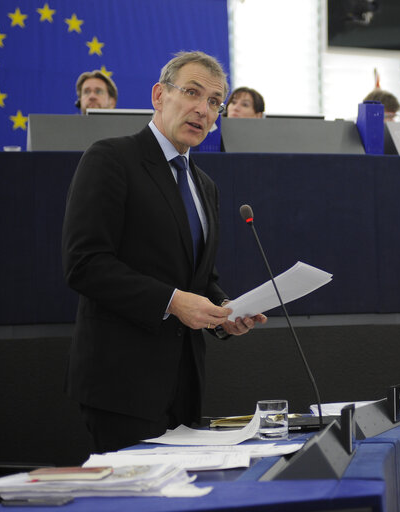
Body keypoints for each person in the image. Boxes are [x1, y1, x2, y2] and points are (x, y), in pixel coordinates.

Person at [62, 51, 266, 453]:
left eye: (213, 102)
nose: (202, 110)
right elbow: (84, 264)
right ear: (159, 96)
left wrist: (225, 313)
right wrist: (172, 302)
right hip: (122, 386)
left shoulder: (204, 185)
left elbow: (199, 280)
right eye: (191, 93)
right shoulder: (110, 159)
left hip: (185, 387)